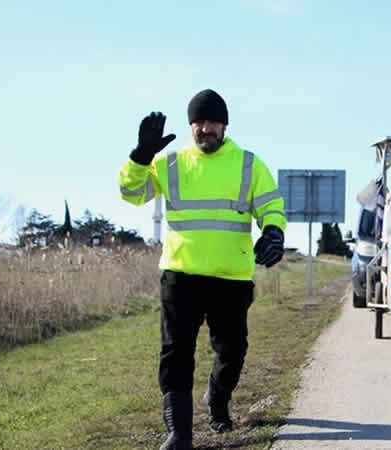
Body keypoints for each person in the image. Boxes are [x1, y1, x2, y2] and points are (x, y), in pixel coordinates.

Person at [119, 89, 286, 450]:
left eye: (212, 122)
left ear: (224, 125)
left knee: (233, 350)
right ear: (191, 125)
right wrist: (140, 156)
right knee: (176, 352)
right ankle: (179, 434)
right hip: (181, 275)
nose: (205, 128)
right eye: (198, 122)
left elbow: (272, 206)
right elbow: (130, 193)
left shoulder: (248, 164)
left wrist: (273, 231)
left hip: (231, 277)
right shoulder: (170, 163)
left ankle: (217, 397)